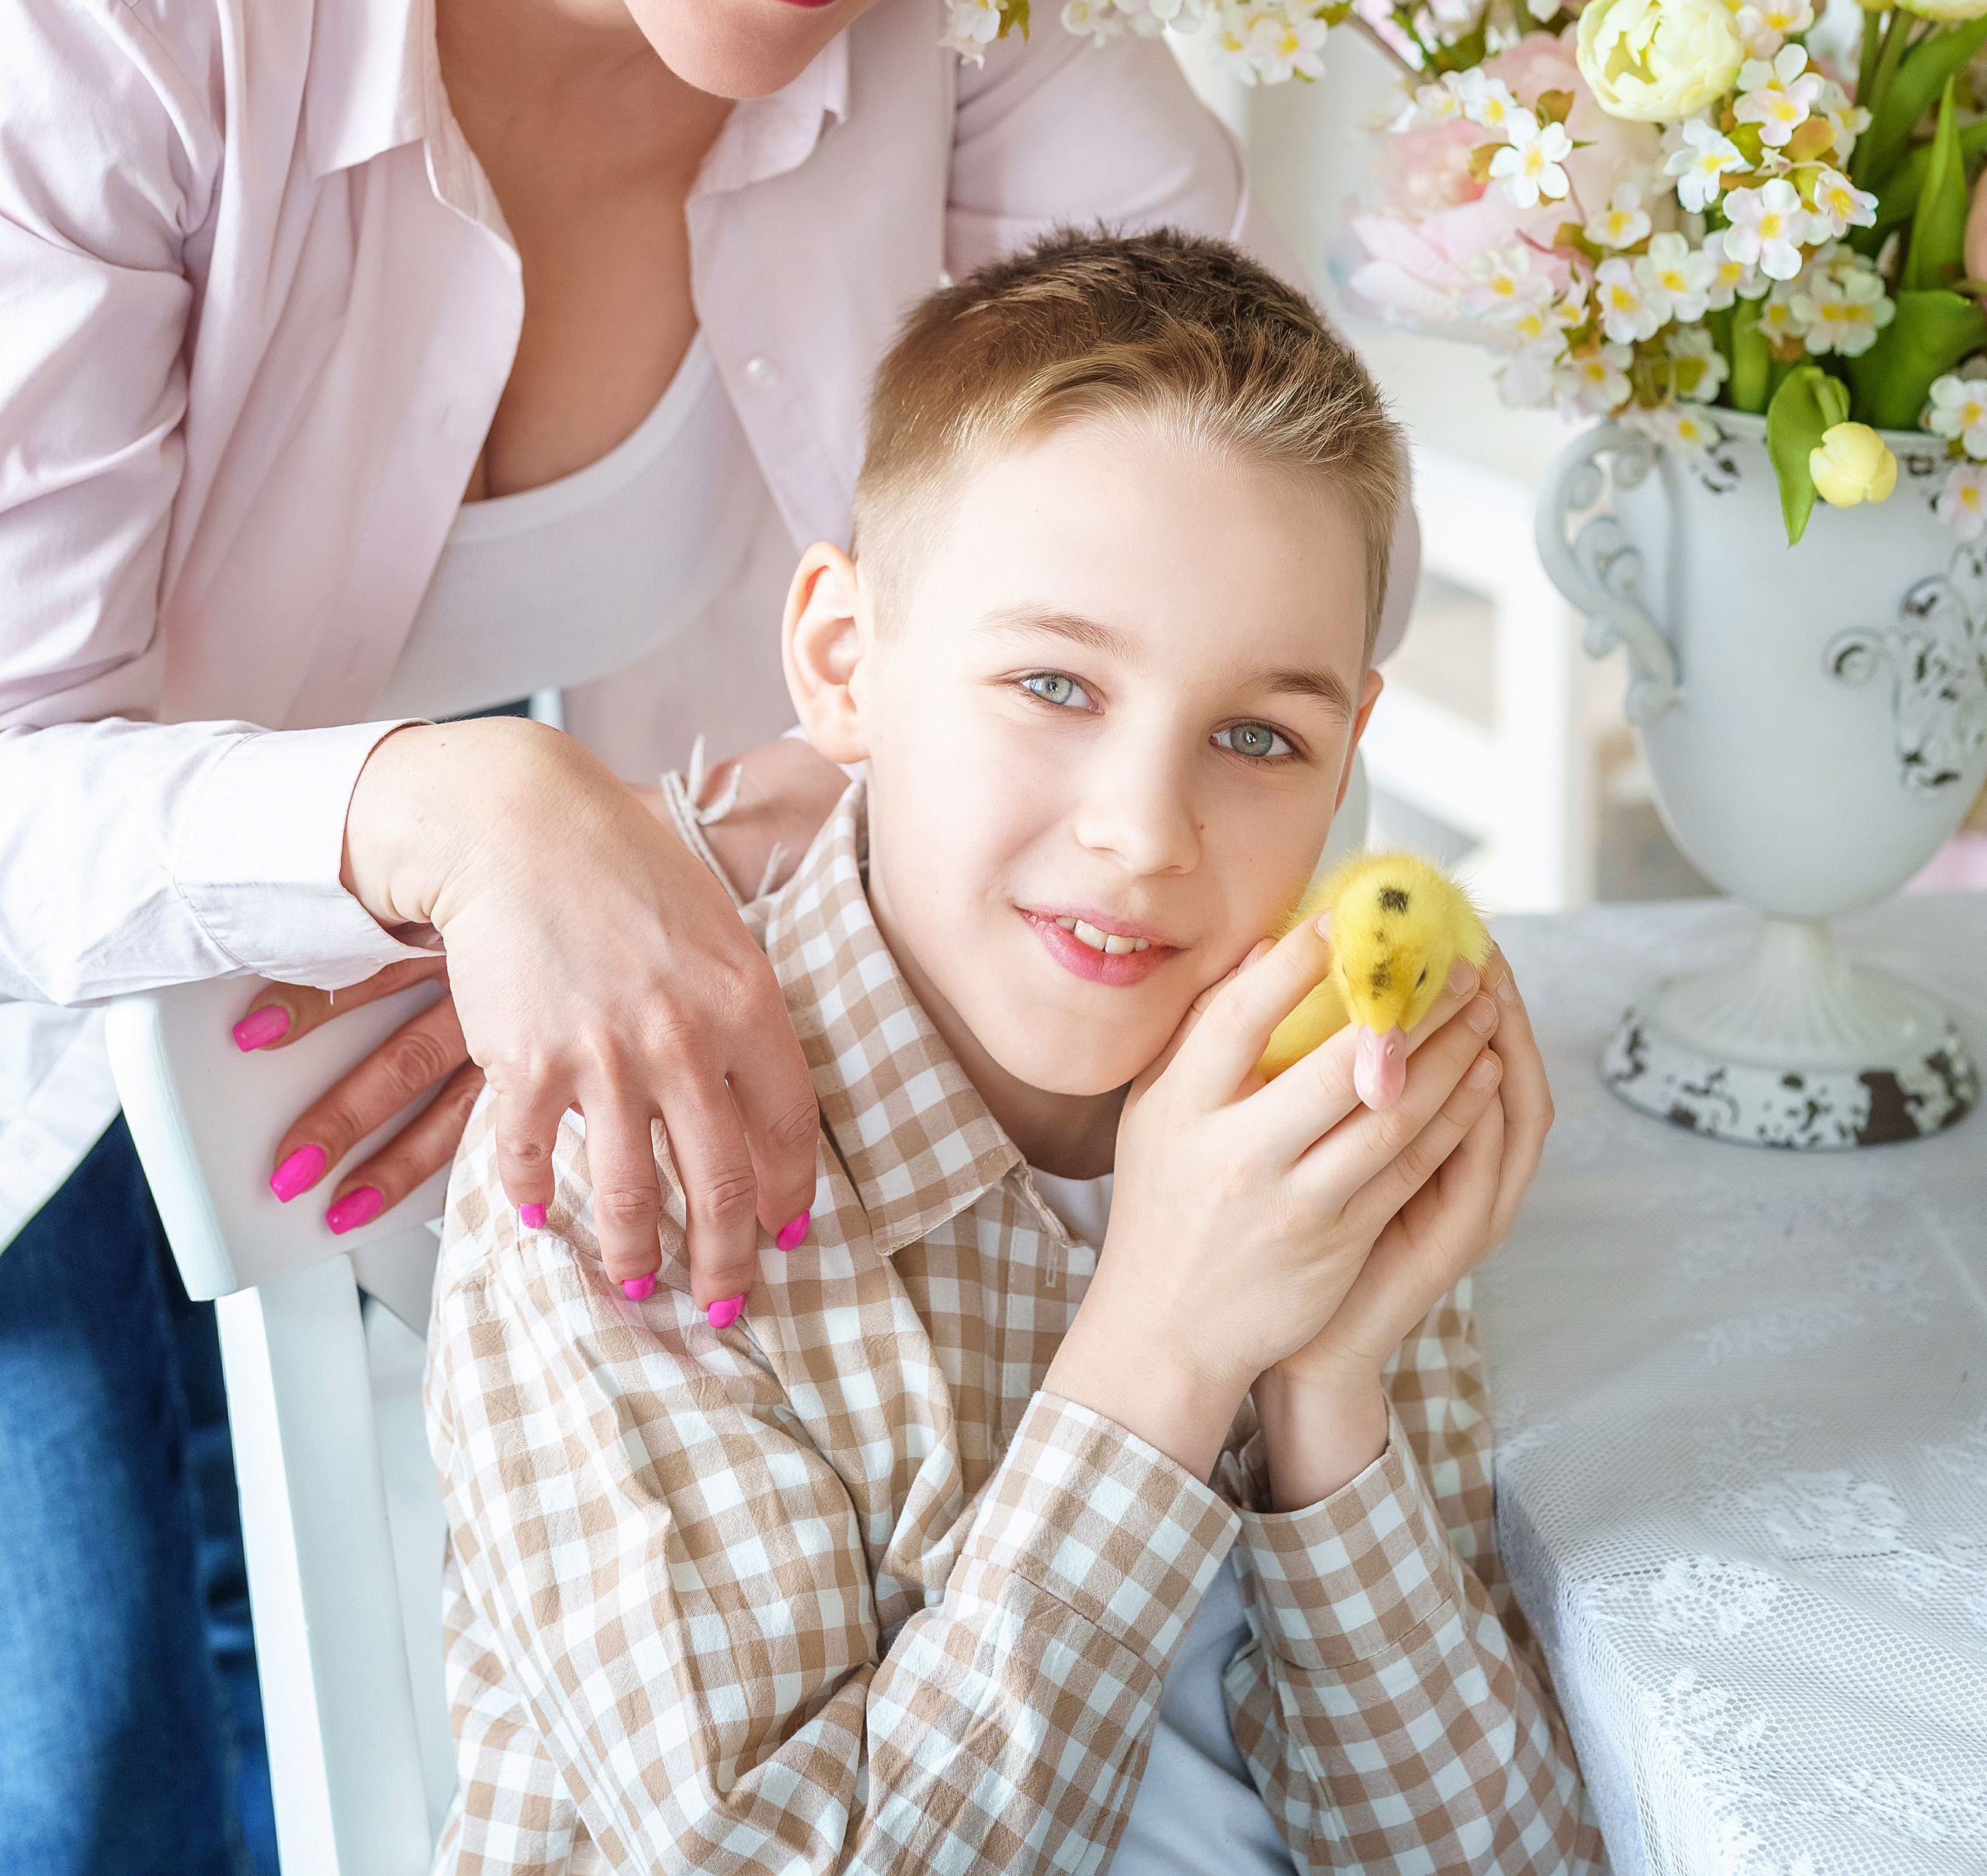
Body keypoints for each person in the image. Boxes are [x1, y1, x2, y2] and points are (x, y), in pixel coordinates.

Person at [0, 0, 1416, 1874]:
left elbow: (1208, 554)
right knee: (94, 1778)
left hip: (541, 1126)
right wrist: (456, 824)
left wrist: (707, 846)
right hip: (44, 1034)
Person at [428, 228, 1595, 1874]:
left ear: (1346, 760)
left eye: (1257, 735)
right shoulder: (632, 1169)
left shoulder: (1316, 1104)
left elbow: (1496, 1856)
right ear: (845, 662)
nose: (1145, 830)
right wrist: (1167, 1338)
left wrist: (1326, 1382)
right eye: (1053, 683)